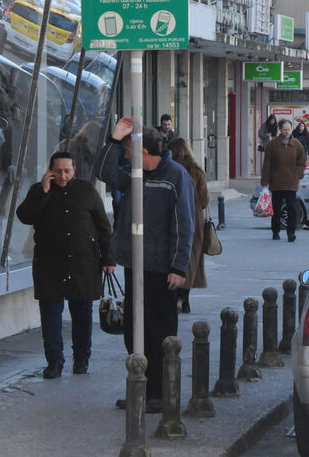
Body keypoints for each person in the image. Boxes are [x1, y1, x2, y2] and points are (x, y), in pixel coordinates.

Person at [100, 118, 194, 413]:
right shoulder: (134, 174)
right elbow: (104, 172)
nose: (126, 157)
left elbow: (184, 224)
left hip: (162, 269)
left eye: (129, 152)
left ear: (143, 152)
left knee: (159, 332)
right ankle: (140, 389)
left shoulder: (176, 176)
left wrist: (178, 267)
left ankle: (161, 394)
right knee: (133, 331)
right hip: (135, 263)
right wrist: (115, 140)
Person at [16, 151, 113, 379]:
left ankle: (81, 359)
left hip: (83, 264)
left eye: (67, 171)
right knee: (51, 317)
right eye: (58, 171)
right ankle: (54, 362)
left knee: (82, 316)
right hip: (49, 266)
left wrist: (109, 259)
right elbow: (25, 216)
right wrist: (43, 191)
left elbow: (103, 227)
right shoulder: (39, 191)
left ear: (74, 170)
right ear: (50, 171)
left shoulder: (87, 190)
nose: (62, 176)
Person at [166, 138, 210, 315]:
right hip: (195, 219)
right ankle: (184, 299)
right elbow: (205, 200)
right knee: (191, 258)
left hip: (171, 216)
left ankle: (174, 295)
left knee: (173, 255)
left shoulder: (168, 170)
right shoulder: (196, 171)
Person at [260, 119, 306, 242]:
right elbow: (267, 164)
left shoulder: (297, 144)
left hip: (291, 182)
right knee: (276, 208)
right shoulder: (273, 144)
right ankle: (275, 231)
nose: (287, 132)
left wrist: (298, 174)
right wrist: (265, 181)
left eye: (289, 129)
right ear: (280, 129)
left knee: (292, 208)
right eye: (284, 129)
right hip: (276, 182)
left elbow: (302, 162)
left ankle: (291, 232)